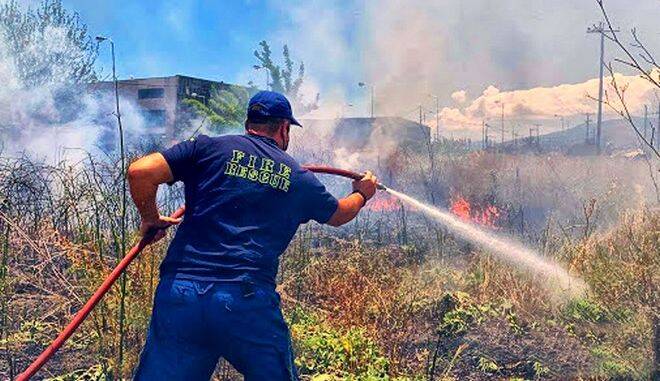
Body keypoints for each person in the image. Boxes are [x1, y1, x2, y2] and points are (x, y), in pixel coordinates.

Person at [127, 90, 378, 380]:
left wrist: (151, 218)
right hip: (244, 301)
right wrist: (362, 193)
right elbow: (340, 214)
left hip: (182, 294)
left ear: (249, 122)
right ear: (284, 128)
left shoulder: (207, 148)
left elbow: (140, 172)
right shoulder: (296, 176)